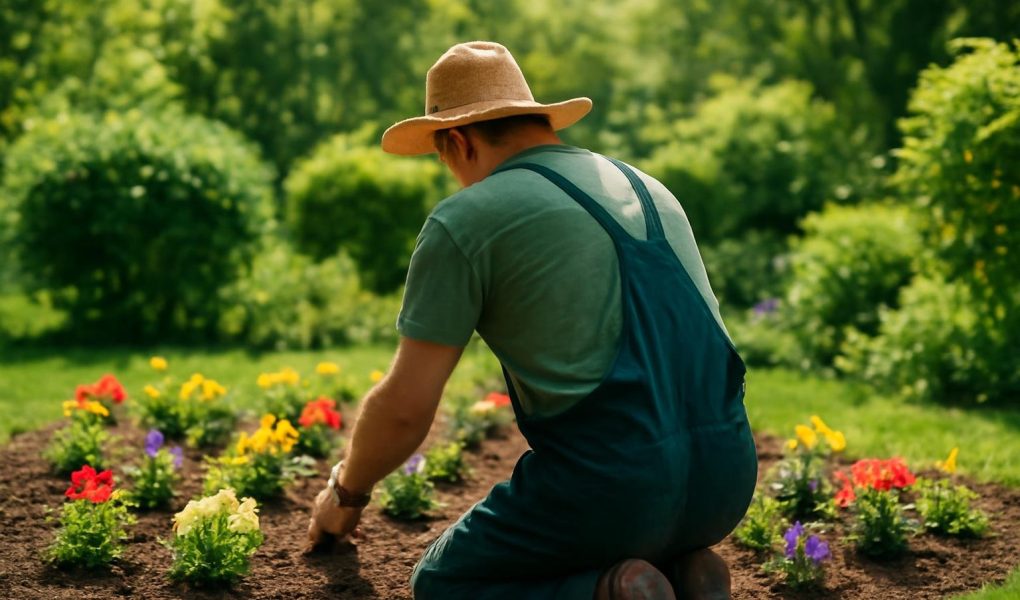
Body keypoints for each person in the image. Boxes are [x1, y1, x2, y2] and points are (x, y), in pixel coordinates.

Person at [306, 41, 758, 600]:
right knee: (644, 506)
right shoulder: (648, 188)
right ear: (538, 121)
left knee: (446, 583)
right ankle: (687, 569)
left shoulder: (468, 218)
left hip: (612, 491)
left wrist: (344, 495)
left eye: (442, 158)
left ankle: (611, 592)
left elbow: (405, 408)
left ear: (457, 141)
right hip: (727, 478)